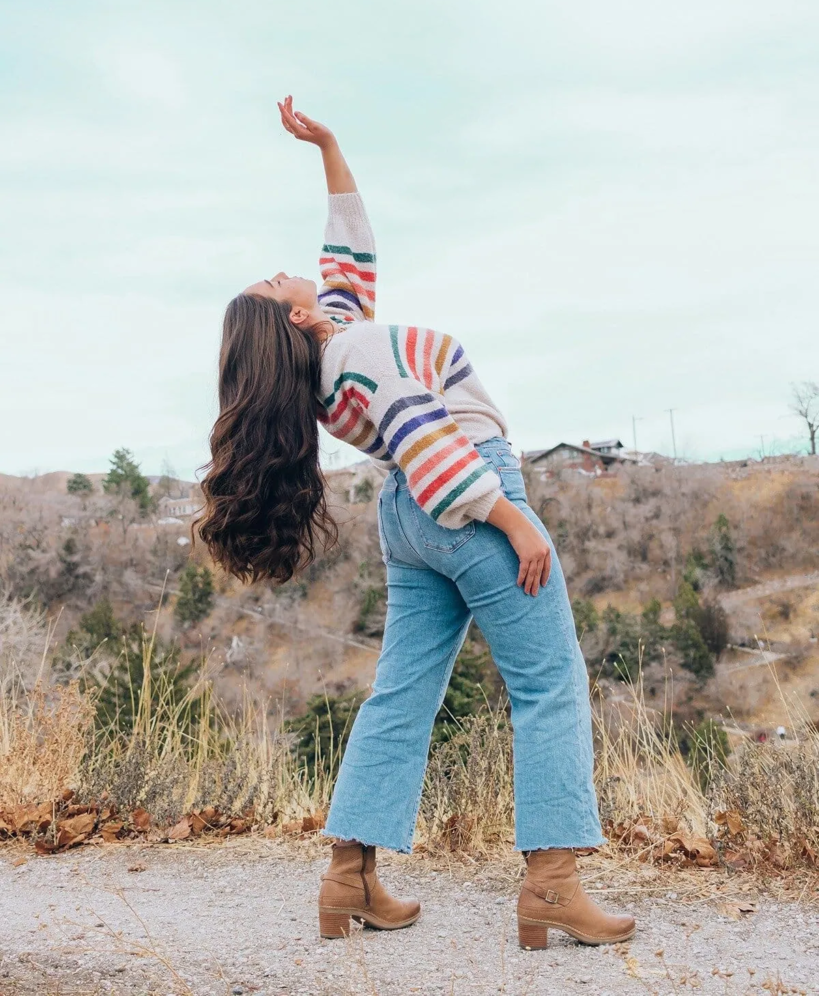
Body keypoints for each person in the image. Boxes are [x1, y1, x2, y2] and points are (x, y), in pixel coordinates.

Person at [196, 96, 636, 951]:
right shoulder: (356, 351)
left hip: (407, 520)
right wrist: (513, 521)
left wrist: (327, 146)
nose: (286, 272)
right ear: (295, 317)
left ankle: (349, 878)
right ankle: (551, 886)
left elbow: (348, 252)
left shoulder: (335, 352)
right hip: (465, 495)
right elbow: (427, 439)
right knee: (549, 683)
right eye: (275, 283)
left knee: (400, 695)